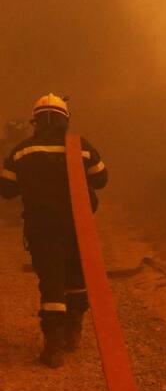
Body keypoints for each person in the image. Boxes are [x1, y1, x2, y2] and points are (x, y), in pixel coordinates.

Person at [0, 94, 108, 368]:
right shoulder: (81, 148)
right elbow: (101, 179)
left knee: (51, 282)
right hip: (77, 224)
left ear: (35, 121)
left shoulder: (22, 150)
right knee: (75, 276)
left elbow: (7, 190)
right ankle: (73, 329)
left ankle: (54, 347)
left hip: (41, 226)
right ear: (65, 119)